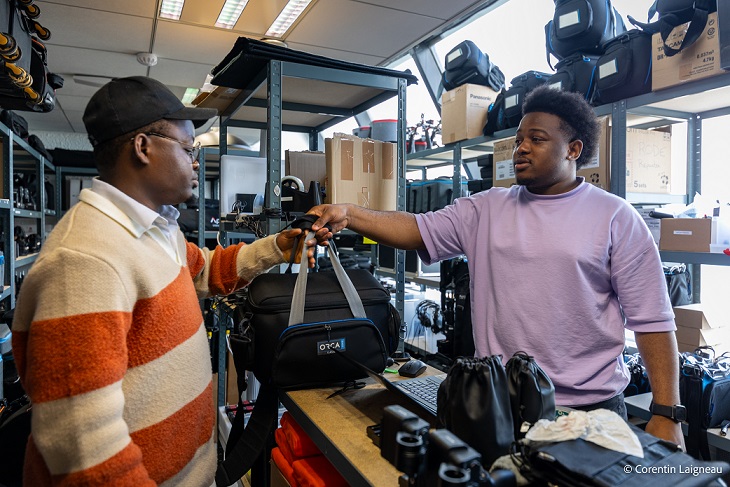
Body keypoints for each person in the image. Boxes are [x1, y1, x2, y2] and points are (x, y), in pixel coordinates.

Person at [307, 85, 684, 447]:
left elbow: (652, 320)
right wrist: (349, 213)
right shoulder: (486, 208)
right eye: (519, 139)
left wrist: (666, 413)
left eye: (536, 139)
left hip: (590, 410)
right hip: (500, 405)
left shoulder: (616, 217)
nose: (521, 148)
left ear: (573, 149)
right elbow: (416, 229)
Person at [12, 76, 314, 486]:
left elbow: (206, 269)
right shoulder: (84, 260)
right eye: (188, 149)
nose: (194, 162)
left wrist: (278, 248)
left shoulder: (158, 228)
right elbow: (83, 445)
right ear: (143, 147)